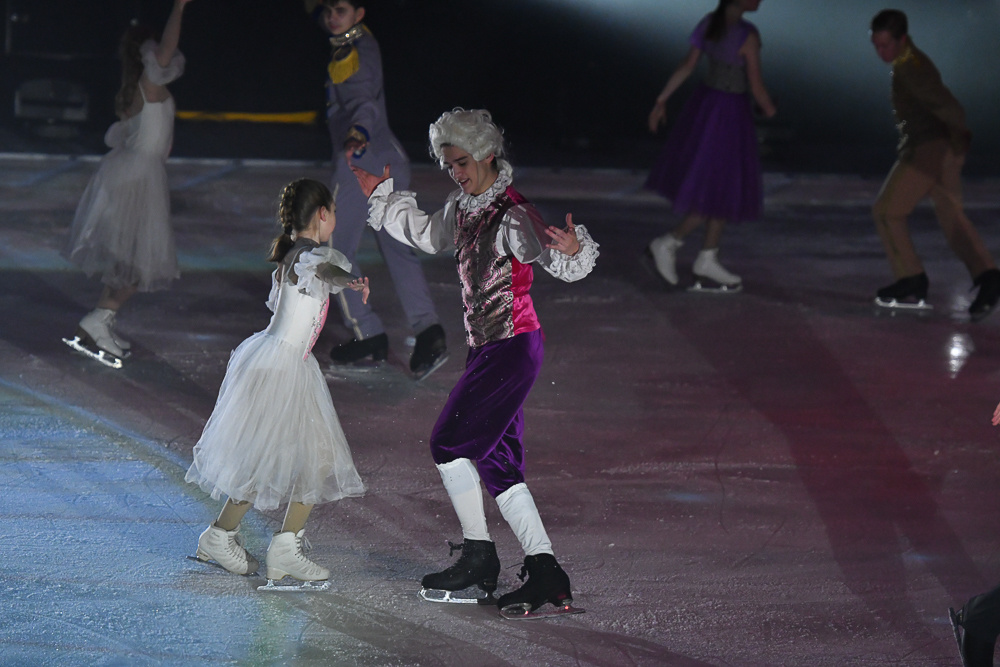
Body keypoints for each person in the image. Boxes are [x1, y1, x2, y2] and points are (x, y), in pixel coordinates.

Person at [350, 109, 599, 615]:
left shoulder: (513, 214)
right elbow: (427, 234)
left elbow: (552, 256)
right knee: (497, 462)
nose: (455, 173)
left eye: (461, 162)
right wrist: (384, 198)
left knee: (448, 442)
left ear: (487, 155)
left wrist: (573, 249)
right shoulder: (462, 207)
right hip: (487, 347)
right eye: (448, 165)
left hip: (513, 345)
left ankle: (479, 556)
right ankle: (546, 571)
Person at [185, 178, 368, 587]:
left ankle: (231, 537)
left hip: (279, 363)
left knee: (286, 457)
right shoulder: (308, 254)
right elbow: (323, 268)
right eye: (334, 213)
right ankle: (265, 544)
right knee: (301, 458)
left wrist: (343, 280)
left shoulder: (294, 252)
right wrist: (350, 280)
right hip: (281, 368)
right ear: (322, 214)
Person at [311, 0, 447, 377]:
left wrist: (358, 132)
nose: (331, 16)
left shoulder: (354, 50)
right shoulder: (359, 44)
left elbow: (364, 101)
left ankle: (368, 333)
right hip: (388, 157)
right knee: (398, 247)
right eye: (328, 10)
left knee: (334, 249)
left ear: (359, 13)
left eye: (340, 9)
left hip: (361, 159)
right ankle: (429, 332)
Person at [62, 0, 194, 368]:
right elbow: (167, 48)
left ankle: (100, 322)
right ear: (147, 54)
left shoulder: (135, 87)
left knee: (126, 262)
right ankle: (99, 317)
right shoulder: (149, 83)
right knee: (138, 266)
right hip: (139, 179)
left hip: (130, 175)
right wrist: (179, 8)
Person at [868, 9, 1000, 320]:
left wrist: (958, 139)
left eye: (886, 45)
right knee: (951, 215)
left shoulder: (911, 67)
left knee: (886, 211)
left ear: (902, 39)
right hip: (942, 147)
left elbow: (948, 106)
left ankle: (911, 278)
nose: (880, 52)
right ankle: (989, 276)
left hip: (929, 148)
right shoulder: (909, 62)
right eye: (876, 45)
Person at [645, 0, 775, 292]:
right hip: (728, 113)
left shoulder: (710, 23)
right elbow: (756, 86)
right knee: (718, 185)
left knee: (723, 186)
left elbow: (688, 65)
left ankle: (707, 256)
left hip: (709, 107)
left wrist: (661, 99)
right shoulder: (747, 34)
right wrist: (772, 110)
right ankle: (669, 242)